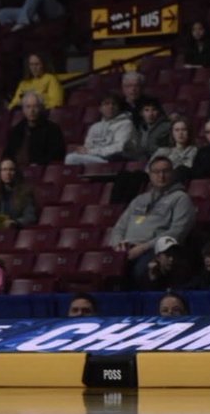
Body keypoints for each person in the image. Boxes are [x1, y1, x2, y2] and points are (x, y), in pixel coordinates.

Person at [108, 156, 197, 285]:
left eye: (165, 171)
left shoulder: (181, 198)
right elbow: (119, 227)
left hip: (155, 249)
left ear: (172, 173)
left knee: (141, 272)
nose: (161, 176)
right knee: (107, 273)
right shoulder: (140, 199)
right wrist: (118, 245)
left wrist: (143, 247)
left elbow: (177, 232)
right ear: (150, 175)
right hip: (127, 249)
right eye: (156, 172)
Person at [64, 93, 134, 165]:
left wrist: (90, 152)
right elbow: (88, 146)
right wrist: (83, 150)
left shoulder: (126, 124)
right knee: (72, 156)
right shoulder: (95, 127)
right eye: (106, 104)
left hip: (113, 160)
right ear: (100, 108)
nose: (111, 107)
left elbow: (119, 148)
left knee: (71, 158)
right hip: (95, 157)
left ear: (119, 107)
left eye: (114, 104)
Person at [3, 91, 65, 166]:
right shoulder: (16, 130)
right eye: (28, 107)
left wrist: (38, 164)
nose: (32, 111)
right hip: (16, 171)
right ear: (23, 109)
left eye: (35, 106)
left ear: (41, 108)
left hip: (39, 170)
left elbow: (57, 155)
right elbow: (7, 154)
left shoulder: (52, 129)